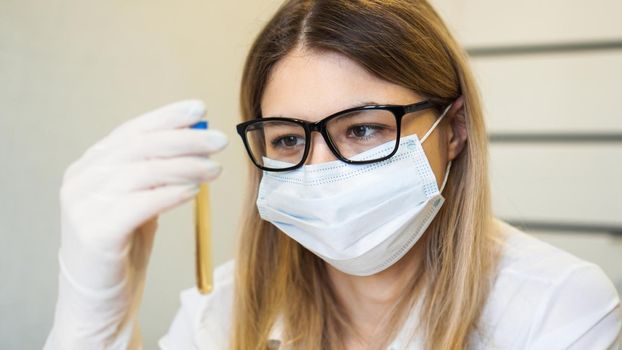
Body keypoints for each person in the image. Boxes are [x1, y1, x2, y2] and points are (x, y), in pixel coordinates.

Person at [44, 0, 621, 349]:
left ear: (454, 128)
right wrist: (92, 322)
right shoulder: (222, 309)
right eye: (290, 139)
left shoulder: (556, 307)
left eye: (364, 129)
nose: (321, 171)